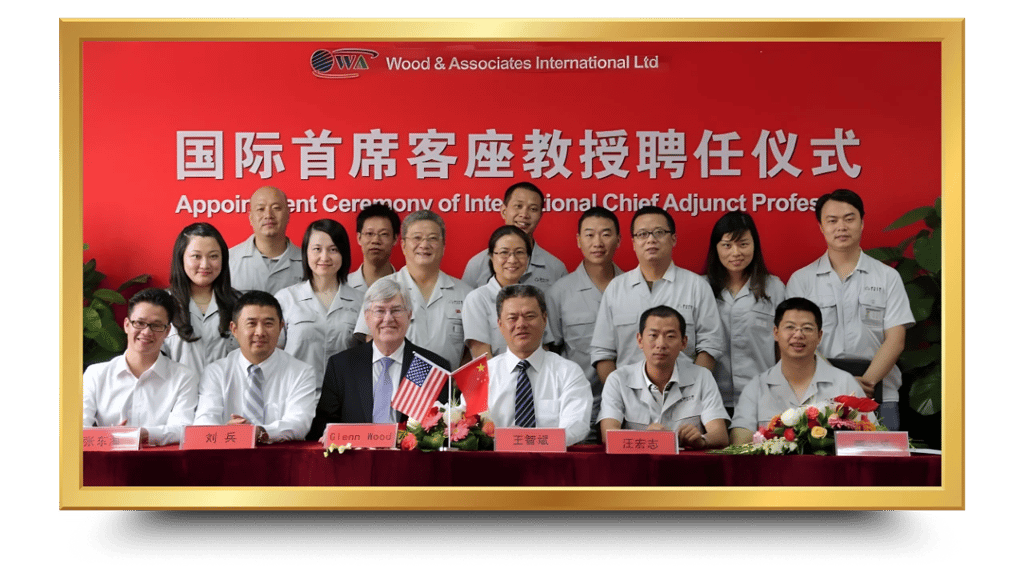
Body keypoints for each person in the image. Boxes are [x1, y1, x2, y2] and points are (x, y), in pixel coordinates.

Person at [785, 189, 914, 429]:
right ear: (821, 227)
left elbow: (895, 340)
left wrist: (863, 383)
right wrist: (842, 383)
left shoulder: (888, 277)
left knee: (883, 466)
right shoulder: (801, 280)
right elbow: (796, 342)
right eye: (832, 221)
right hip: (819, 396)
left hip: (878, 391)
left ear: (862, 222)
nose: (841, 227)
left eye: (849, 218)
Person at [591, 206, 725, 385]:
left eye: (659, 232)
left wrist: (691, 390)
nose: (651, 240)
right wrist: (619, 396)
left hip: (685, 395)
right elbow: (603, 352)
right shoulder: (616, 288)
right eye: (642, 234)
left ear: (673, 239)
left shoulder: (696, 286)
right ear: (633, 243)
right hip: (629, 398)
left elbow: (711, 346)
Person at [307, 278, 450, 440]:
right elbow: (322, 426)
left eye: (396, 310)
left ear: (409, 315)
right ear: (367, 317)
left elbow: (442, 431)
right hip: (356, 461)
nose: (388, 319)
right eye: (380, 311)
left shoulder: (430, 366)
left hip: (411, 462)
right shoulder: (342, 366)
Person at [730, 297, 874, 444]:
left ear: (819, 336)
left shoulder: (845, 383)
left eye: (807, 328)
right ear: (775, 333)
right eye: (790, 327)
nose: (798, 335)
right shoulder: (756, 387)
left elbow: (871, 437)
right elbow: (740, 439)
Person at [353, 210, 472, 370]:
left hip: (448, 387)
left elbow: (472, 349)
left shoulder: (466, 293)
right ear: (403, 245)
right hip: (396, 388)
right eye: (417, 238)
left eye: (432, 238)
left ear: (443, 245)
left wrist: (457, 383)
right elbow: (370, 340)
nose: (424, 245)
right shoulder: (381, 288)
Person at [598, 305, 729, 449]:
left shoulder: (702, 377)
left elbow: (720, 435)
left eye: (670, 336)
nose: (661, 344)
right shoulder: (618, 379)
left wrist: (701, 440)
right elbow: (608, 435)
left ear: (684, 342)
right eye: (653, 336)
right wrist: (647, 439)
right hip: (636, 465)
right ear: (640, 340)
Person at [194, 291, 317, 443]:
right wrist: (225, 432)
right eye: (251, 323)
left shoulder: (301, 372)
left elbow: (299, 423)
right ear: (234, 329)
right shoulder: (216, 372)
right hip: (226, 457)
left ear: (281, 327)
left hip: (282, 460)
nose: (260, 332)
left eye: (268, 324)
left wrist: (258, 432)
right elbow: (204, 421)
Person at [83, 288, 198, 446]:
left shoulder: (184, 377)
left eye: (156, 326)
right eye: (140, 323)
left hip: (164, 464)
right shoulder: (96, 374)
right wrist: (108, 436)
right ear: (126, 325)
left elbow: (182, 428)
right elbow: (78, 427)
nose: (146, 332)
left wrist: (144, 434)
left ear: (167, 331)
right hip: (107, 463)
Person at [546, 207, 623, 441]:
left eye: (606, 234)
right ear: (578, 241)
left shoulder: (633, 288)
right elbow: (550, 353)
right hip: (578, 409)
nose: (597, 242)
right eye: (589, 235)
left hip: (629, 411)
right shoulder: (558, 292)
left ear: (619, 240)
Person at [486, 285, 592, 446]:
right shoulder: (484, 374)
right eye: (512, 318)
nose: (521, 324)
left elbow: (576, 426)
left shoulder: (568, 372)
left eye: (529, 316)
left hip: (551, 464)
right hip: (496, 465)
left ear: (544, 319)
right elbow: (470, 426)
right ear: (500, 324)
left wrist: (526, 442)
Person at [703, 211, 786, 413]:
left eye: (743, 244)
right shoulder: (702, 288)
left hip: (763, 398)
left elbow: (782, 346)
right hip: (712, 401)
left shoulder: (773, 287)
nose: (735, 252)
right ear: (716, 248)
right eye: (727, 245)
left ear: (754, 245)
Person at [274, 219, 362, 394]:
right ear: (306, 253)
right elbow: (272, 355)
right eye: (317, 249)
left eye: (333, 249)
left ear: (343, 253)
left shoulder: (361, 301)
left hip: (345, 399)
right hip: (295, 398)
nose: (324, 257)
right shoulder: (286, 299)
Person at [462, 225, 553, 360]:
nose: (512, 260)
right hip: (496, 379)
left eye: (520, 252)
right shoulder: (477, 299)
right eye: (504, 252)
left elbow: (544, 347)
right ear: (492, 256)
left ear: (528, 258)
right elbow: (481, 355)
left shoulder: (535, 297)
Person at [162, 222, 240, 374]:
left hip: (227, 395)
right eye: (196, 256)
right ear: (181, 258)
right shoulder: (163, 303)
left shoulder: (240, 303)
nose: (205, 265)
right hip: (179, 395)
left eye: (213, 256)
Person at [461, 182, 568, 291]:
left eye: (533, 209)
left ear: (540, 215)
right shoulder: (478, 263)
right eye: (518, 206)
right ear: (504, 211)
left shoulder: (555, 268)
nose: (524, 214)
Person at [228, 186, 304, 294]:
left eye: (276, 208)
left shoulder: (308, 262)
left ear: (288, 214)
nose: (268, 215)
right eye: (260, 209)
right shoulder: (228, 260)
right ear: (251, 217)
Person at [348, 203, 400, 293]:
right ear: (359, 238)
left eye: (384, 234)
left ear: (395, 238)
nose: (376, 240)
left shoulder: (407, 286)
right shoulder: (343, 286)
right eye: (369, 234)